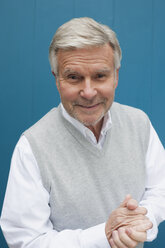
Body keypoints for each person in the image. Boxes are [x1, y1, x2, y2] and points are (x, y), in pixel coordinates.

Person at [1, 17, 165, 248]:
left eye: (100, 76)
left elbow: (160, 188)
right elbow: (27, 242)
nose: (88, 92)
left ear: (116, 76)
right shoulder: (32, 146)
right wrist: (104, 235)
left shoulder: (140, 123)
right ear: (57, 80)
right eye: (74, 77)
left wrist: (141, 219)